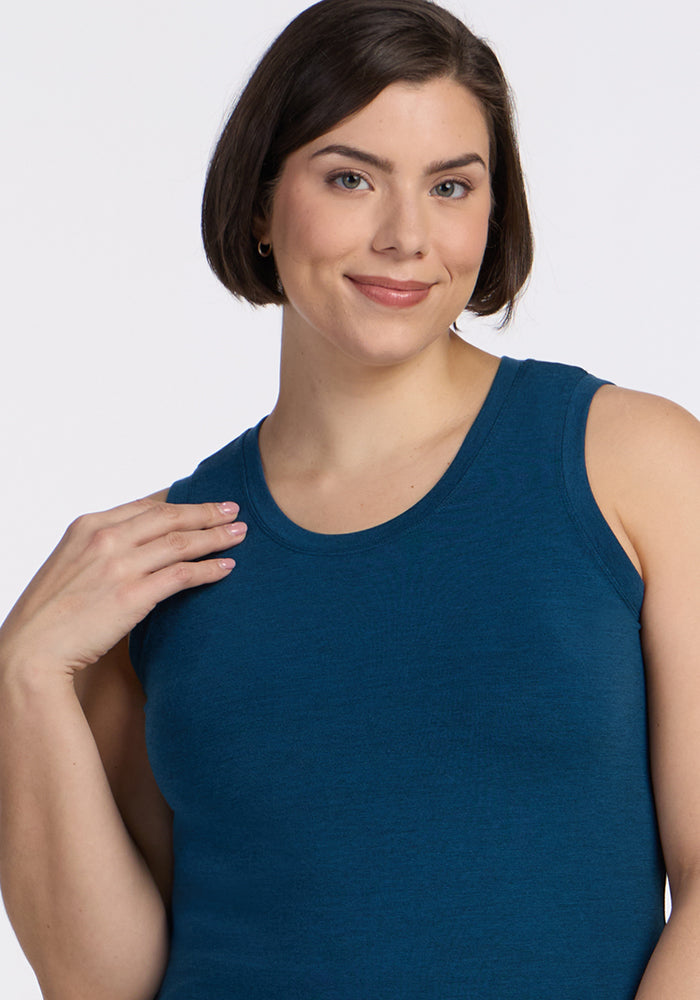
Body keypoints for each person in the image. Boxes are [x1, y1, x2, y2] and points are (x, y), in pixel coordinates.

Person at [1, 0, 699, 997]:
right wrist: (25, 675)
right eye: (350, 178)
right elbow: (104, 983)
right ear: (260, 204)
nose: (405, 235)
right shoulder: (156, 564)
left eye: (450, 186)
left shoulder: (631, 464)